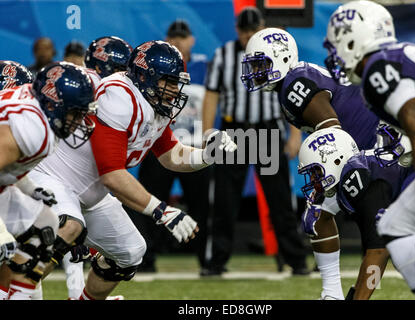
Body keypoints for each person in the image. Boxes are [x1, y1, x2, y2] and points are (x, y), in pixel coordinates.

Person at [27, 40, 237, 300]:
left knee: (130, 251)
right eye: (168, 81)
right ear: (145, 76)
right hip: (53, 179)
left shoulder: (153, 103)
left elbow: (170, 154)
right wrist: (162, 211)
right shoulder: (119, 97)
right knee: (66, 229)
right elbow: (112, 174)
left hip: (90, 193)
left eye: (176, 82)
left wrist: (208, 154)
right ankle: (11, 290)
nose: (174, 90)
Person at [241, 27, 413, 299]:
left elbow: (331, 129)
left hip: (373, 149)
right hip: (367, 145)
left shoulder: (295, 85)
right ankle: (332, 293)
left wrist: (330, 180)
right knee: (320, 214)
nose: (256, 71)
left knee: (336, 216)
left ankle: (336, 293)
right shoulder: (294, 81)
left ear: (281, 58)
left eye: (261, 63)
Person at [323, 0, 415, 299]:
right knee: (394, 224)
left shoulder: (379, 68)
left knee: (398, 227)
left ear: (356, 38)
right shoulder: (404, 55)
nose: (336, 52)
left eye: (340, 40)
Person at [202, 7, 309, 277]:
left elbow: (291, 93)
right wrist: (207, 133)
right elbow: (211, 95)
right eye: (244, 30)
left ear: (261, 27)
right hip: (232, 133)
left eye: (253, 29)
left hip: (268, 131)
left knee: (281, 200)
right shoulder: (223, 55)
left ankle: (297, 261)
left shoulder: (275, 51)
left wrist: (295, 133)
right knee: (224, 200)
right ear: (237, 29)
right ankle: (216, 262)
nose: (248, 34)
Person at [44, 36, 132, 300]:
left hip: (72, 183)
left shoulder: (104, 95)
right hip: (47, 177)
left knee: (73, 231)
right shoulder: (69, 92)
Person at [0, 61, 97, 299]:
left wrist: (30, 189)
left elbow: (8, 170)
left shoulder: (40, 120)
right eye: (75, 112)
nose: (79, 122)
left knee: (46, 226)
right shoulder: (33, 128)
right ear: (54, 103)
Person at [127, 20, 210, 272]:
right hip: (157, 142)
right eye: (173, 36)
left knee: (202, 205)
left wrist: (209, 143)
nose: (178, 41)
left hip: (189, 143)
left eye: (182, 37)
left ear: (192, 40)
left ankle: (207, 259)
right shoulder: (151, 73)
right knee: (148, 199)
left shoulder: (205, 67)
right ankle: (146, 256)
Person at [298, 127, 415, 299]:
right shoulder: (357, 172)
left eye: (316, 172)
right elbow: (376, 254)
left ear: (336, 160)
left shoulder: (359, 179)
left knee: (406, 255)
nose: (314, 179)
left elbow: (378, 253)